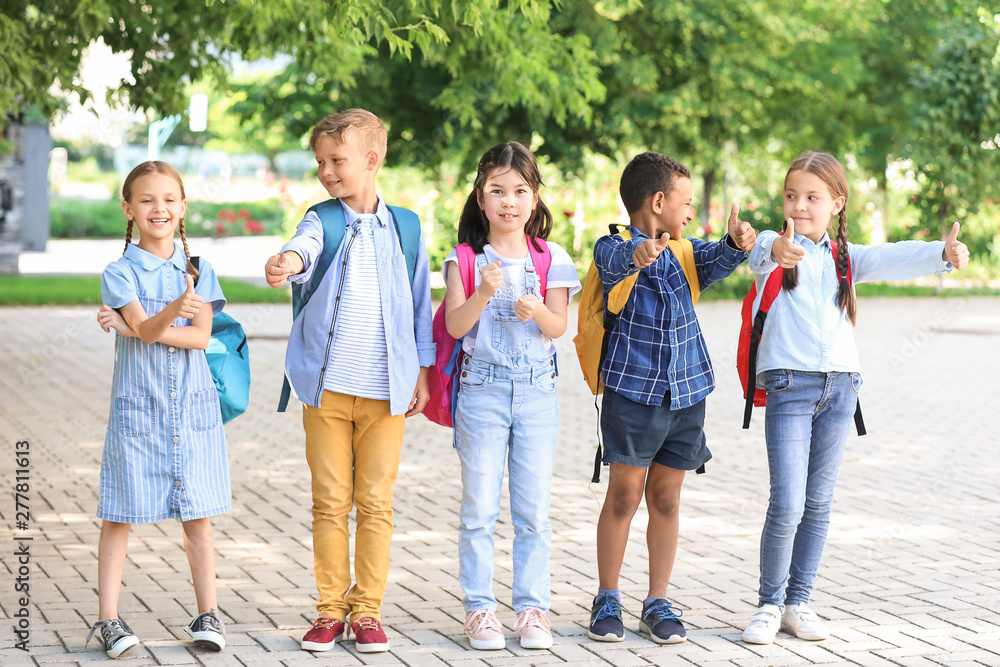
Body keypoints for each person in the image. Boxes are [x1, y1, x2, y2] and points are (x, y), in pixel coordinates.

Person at [740, 151, 970, 645]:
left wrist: (940, 254)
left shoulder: (845, 258)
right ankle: (768, 604)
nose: (799, 206)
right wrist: (774, 248)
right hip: (789, 386)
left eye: (812, 198)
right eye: (791, 196)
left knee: (818, 504)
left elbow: (893, 256)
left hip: (841, 389)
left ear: (837, 203)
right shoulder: (775, 244)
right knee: (787, 503)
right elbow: (759, 254)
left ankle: (798, 604)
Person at [263, 109, 435, 653]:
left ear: (371, 159)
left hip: (387, 392)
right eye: (320, 162)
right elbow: (304, 245)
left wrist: (424, 373)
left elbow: (419, 304)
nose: (327, 171)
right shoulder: (323, 220)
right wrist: (287, 261)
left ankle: (367, 613)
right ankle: (329, 610)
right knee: (330, 501)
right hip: (327, 390)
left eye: (336, 160)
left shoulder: (405, 227)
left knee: (376, 503)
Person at [588, 152, 756, 645]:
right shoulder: (612, 246)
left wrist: (735, 242)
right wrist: (639, 256)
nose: (688, 214)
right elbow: (615, 262)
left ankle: (657, 600)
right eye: (684, 204)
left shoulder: (684, 251)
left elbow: (715, 260)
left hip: (686, 394)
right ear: (657, 201)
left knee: (666, 497)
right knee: (624, 496)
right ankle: (608, 597)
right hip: (633, 394)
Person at [444, 141, 581, 651]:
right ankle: (480, 610)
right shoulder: (463, 259)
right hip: (481, 390)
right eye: (497, 191)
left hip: (537, 393)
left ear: (534, 196)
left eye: (519, 191)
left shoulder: (553, 257)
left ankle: (531, 610)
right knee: (479, 508)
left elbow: (559, 326)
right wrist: (483, 292)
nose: (508, 201)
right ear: (480, 199)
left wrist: (535, 312)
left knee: (533, 511)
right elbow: (456, 327)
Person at [89, 161, 230, 658]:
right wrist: (165, 313)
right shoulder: (119, 270)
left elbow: (200, 337)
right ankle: (108, 619)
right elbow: (156, 330)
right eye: (147, 200)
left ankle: (208, 613)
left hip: (191, 409)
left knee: (198, 515)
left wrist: (134, 327)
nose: (159, 209)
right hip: (139, 409)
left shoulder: (197, 269)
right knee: (119, 513)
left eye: (169, 199)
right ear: (128, 209)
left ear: (183, 207)